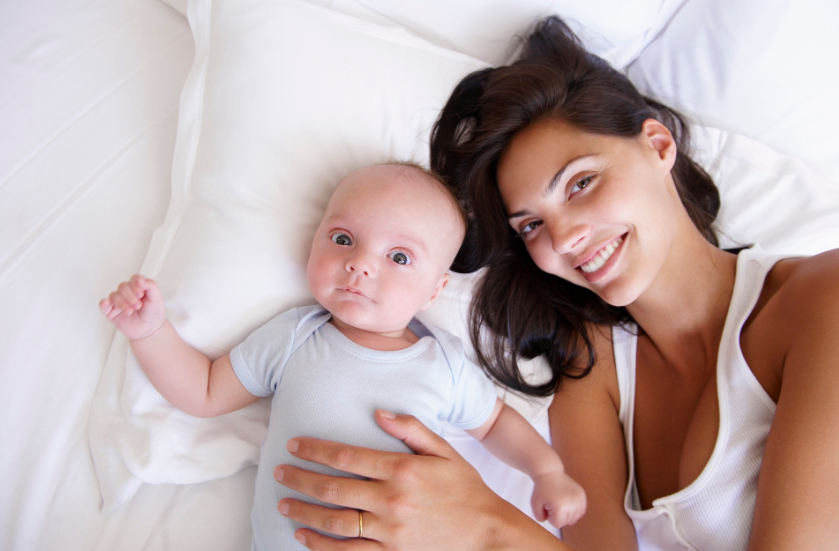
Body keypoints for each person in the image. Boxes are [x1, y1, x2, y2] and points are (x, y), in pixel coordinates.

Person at [270, 16, 839, 551]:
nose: (563, 239)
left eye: (581, 182)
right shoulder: (593, 369)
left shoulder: (822, 296)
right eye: (531, 226)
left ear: (658, 145)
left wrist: (486, 526)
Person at [99, 162, 586, 550]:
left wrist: (546, 471)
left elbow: (495, 422)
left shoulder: (443, 364)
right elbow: (205, 391)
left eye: (399, 257)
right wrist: (151, 332)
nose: (360, 263)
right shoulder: (294, 338)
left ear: (434, 291)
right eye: (343, 239)